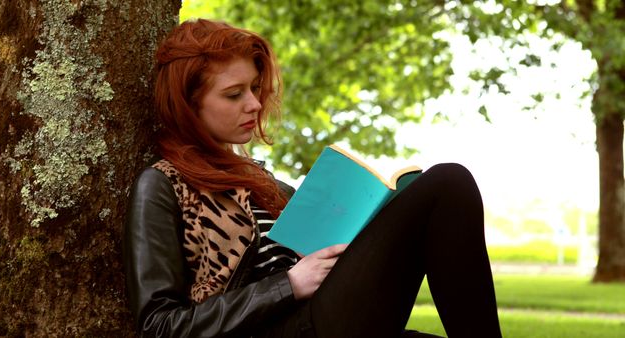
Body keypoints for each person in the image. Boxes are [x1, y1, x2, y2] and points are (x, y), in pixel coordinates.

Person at [123, 18, 502, 338]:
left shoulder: (265, 183)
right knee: (447, 183)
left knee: (438, 191)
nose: (254, 104)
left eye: (254, 88)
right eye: (234, 94)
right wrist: (286, 285)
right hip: (280, 329)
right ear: (188, 105)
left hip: (325, 314)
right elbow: (160, 325)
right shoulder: (162, 185)